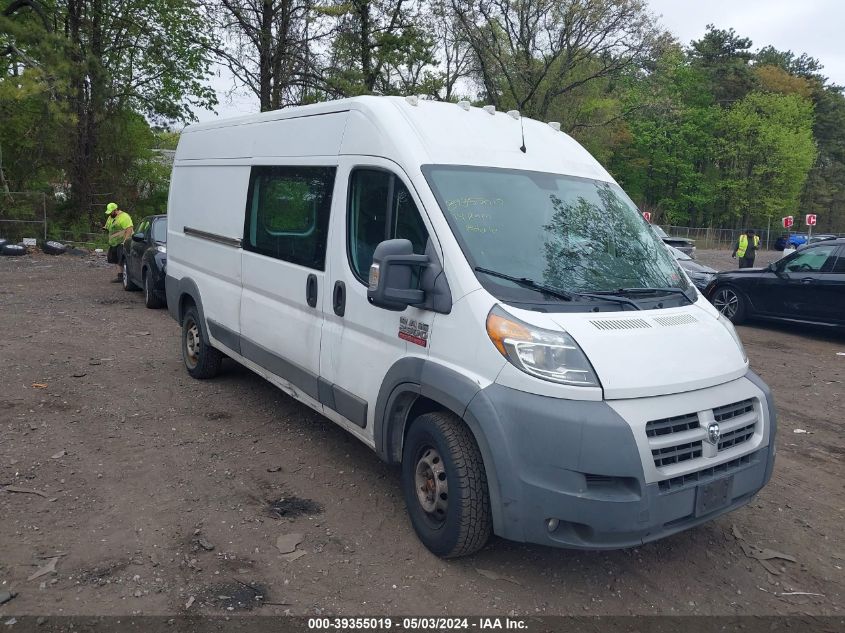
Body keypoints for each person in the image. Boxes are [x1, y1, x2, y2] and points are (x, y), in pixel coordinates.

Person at [103, 202, 134, 282]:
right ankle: (120, 276)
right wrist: (105, 228)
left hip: (122, 242)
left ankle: (127, 276)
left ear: (115, 210)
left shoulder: (124, 217)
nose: (109, 214)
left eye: (110, 212)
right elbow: (108, 226)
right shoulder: (111, 217)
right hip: (114, 242)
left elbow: (129, 229)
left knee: (122, 259)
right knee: (116, 259)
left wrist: (125, 241)